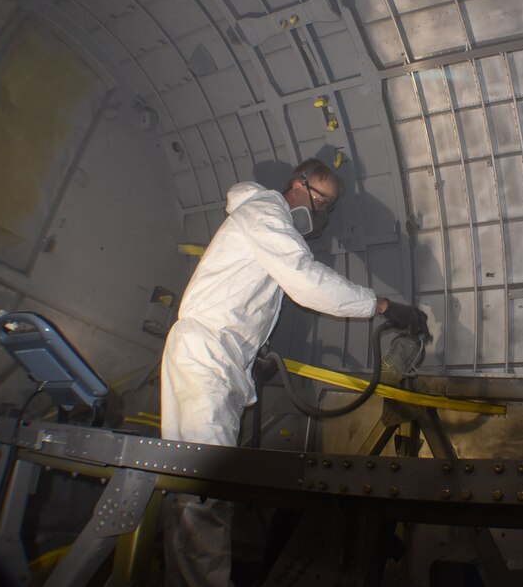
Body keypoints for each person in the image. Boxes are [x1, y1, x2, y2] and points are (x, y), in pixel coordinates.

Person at [160, 158, 425, 586]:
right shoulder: (265, 212)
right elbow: (305, 281)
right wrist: (383, 306)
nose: (323, 215)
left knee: (199, 488)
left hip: (219, 356)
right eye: (324, 202)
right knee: (205, 489)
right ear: (300, 186)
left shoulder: (263, 222)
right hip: (207, 354)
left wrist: (253, 353)